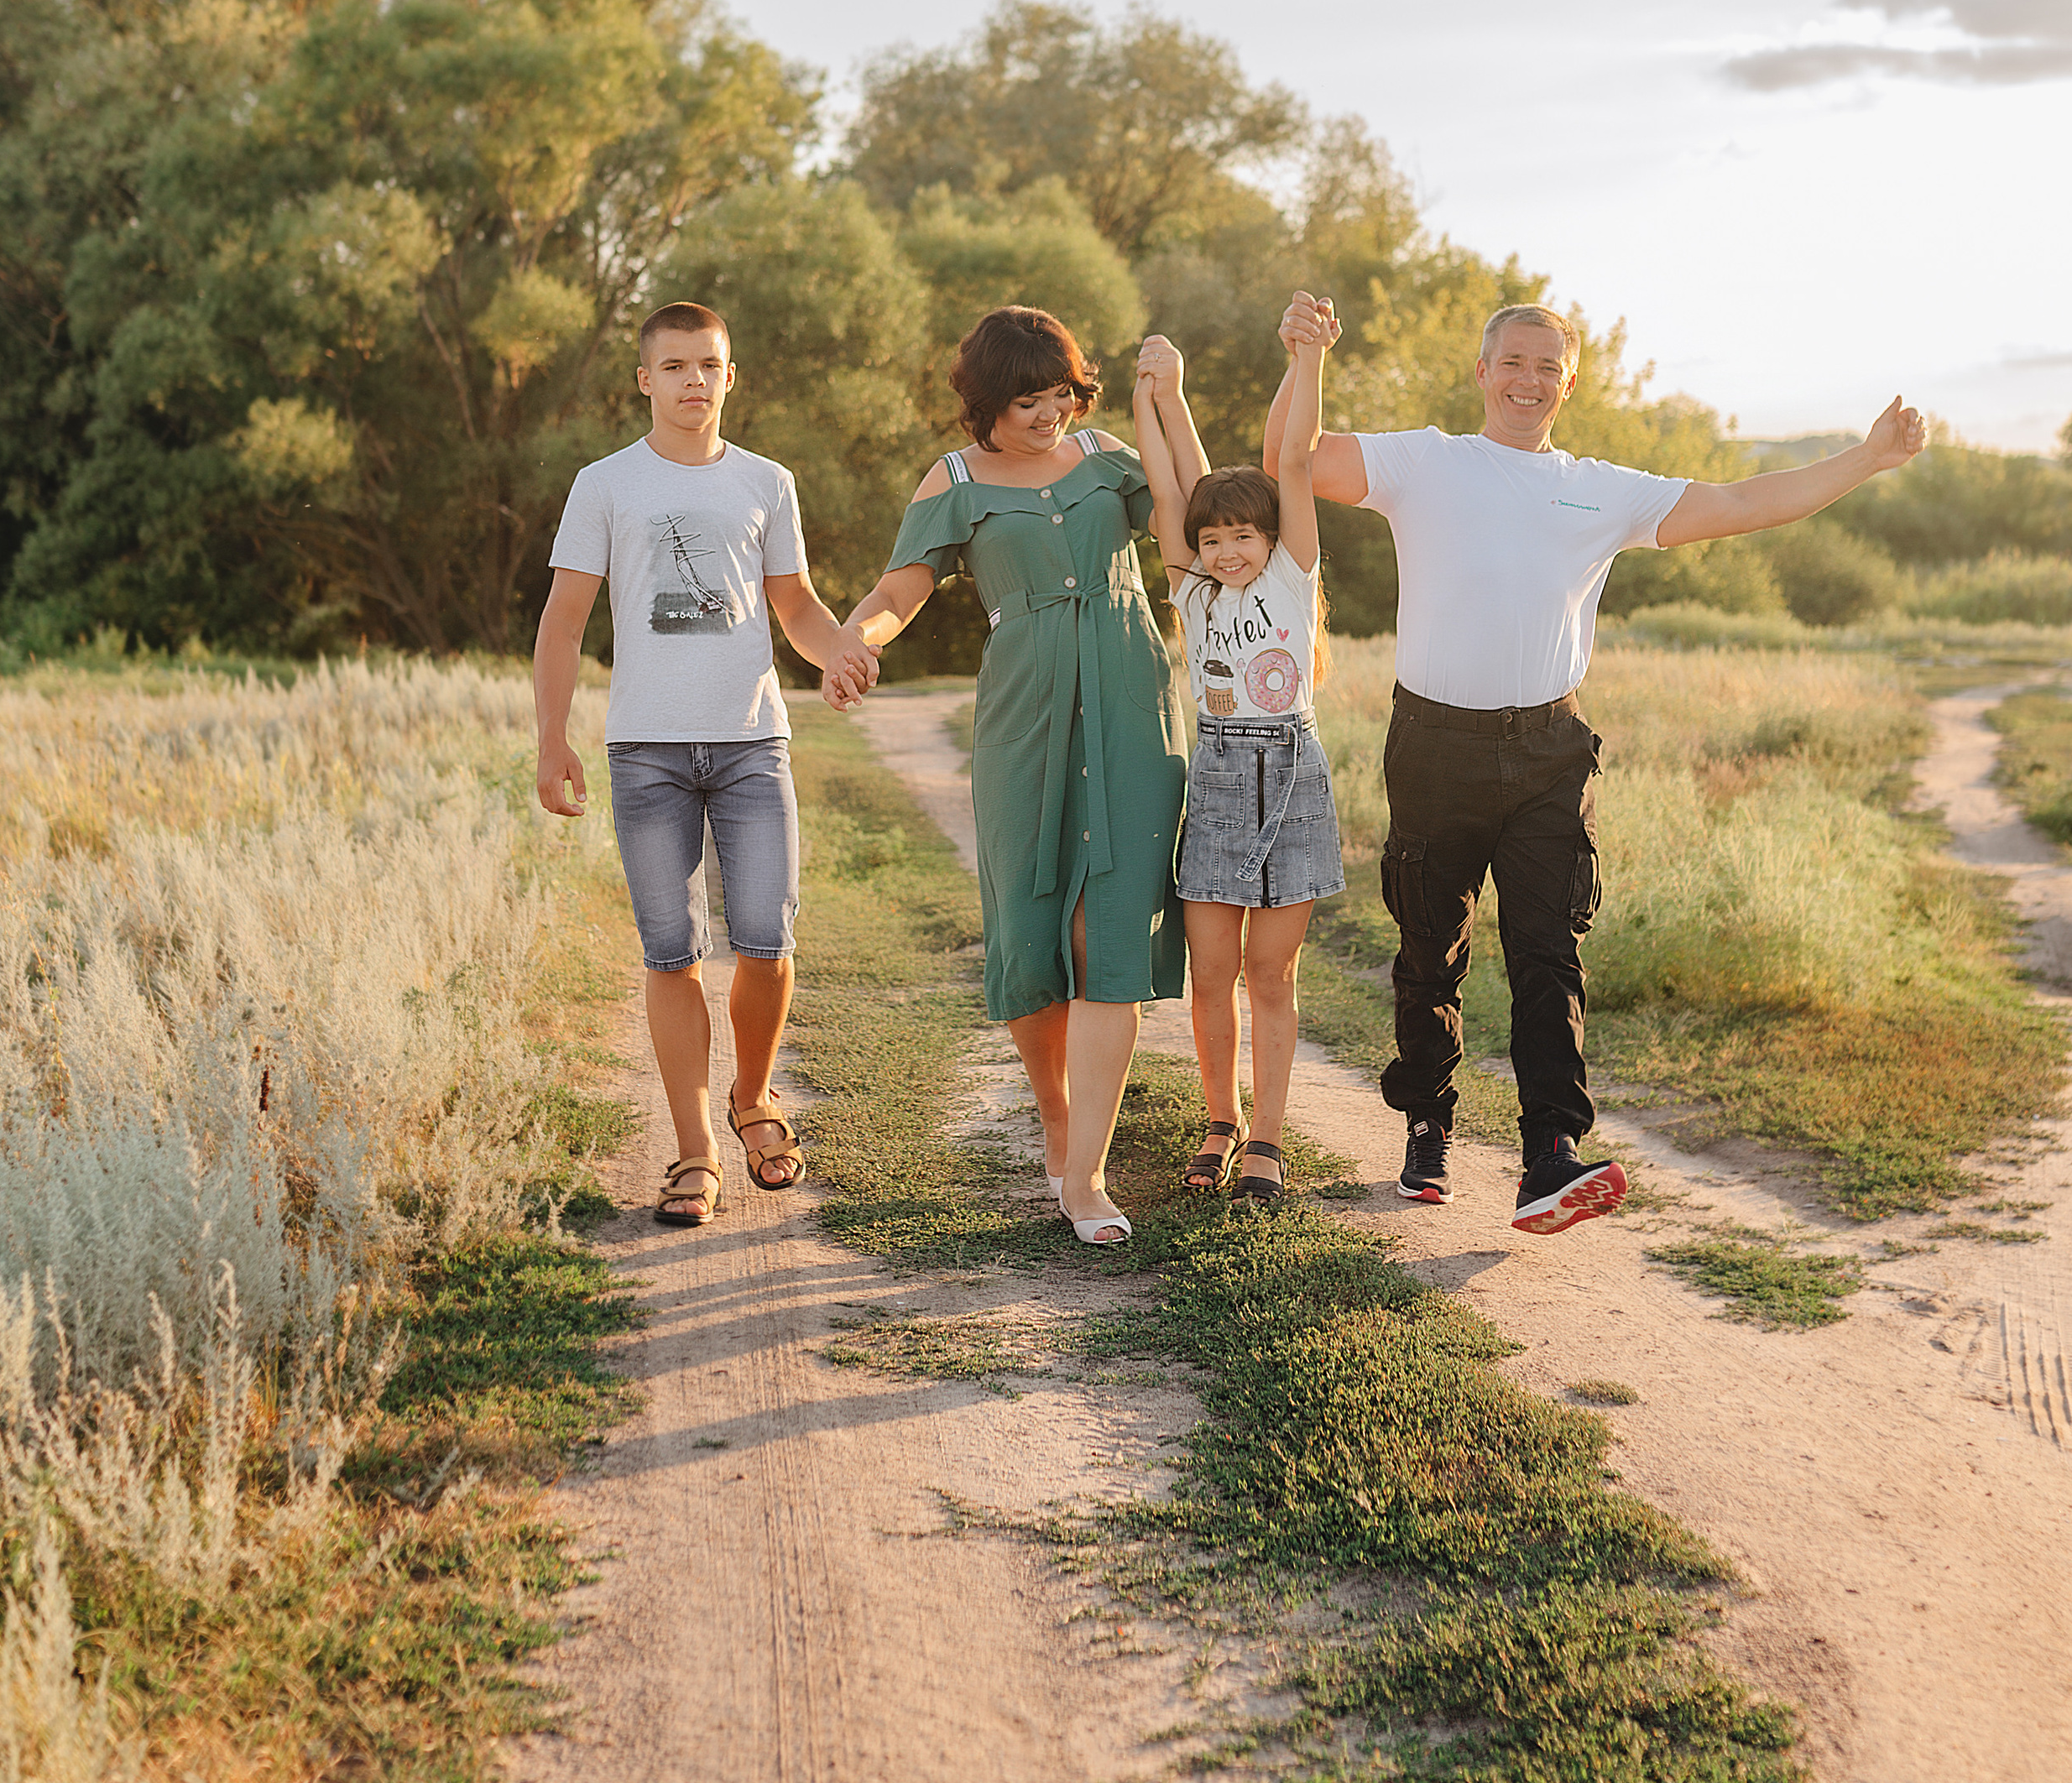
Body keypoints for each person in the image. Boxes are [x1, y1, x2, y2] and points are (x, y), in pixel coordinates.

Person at [1266, 293, 1928, 1236]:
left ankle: (1550, 1158)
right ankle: (1428, 1121)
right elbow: (1290, 456)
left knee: (1549, 955)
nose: (1528, 382)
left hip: (1548, 752)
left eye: (1548, 369)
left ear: (1567, 384)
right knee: (1429, 952)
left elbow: (1742, 503)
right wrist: (1304, 358)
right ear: (1483, 372)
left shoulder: (1601, 488)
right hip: (1435, 746)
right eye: (1513, 363)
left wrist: (1867, 458)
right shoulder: (1424, 463)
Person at [822, 305, 1187, 1248]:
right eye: (1027, 400)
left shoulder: (1110, 455)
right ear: (985, 402)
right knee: (1031, 930)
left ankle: (1089, 1171)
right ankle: (1059, 1122)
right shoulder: (951, 481)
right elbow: (900, 589)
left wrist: (1169, 404)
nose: (1049, 415)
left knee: (1107, 924)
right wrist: (853, 648)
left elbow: (1191, 530)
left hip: (1128, 701)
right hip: (1022, 714)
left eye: (1061, 394)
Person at [534, 300, 874, 1227]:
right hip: (644, 750)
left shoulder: (767, 482)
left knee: (766, 940)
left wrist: (835, 648)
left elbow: (795, 604)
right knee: (671, 952)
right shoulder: (605, 483)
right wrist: (552, 736)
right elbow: (563, 621)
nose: (693, 380)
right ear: (644, 379)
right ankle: (693, 1149)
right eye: (674, 365)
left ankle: (754, 1096)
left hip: (751, 743)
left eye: (708, 365)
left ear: (731, 376)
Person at [1130, 324, 1344, 1210]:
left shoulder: (1290, 578)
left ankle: (1266, 1135)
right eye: (1212, 538)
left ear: (1269, 539)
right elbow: (1170, 483)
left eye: (1241, 536)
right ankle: (1218, 1119)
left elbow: (1292, 462)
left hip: (1292, 774)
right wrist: (1157, 393)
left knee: (1271, 976)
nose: (1226, 550)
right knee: (1210, 972)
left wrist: (1307, 359)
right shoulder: (1193, 591)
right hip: (1218, 778)